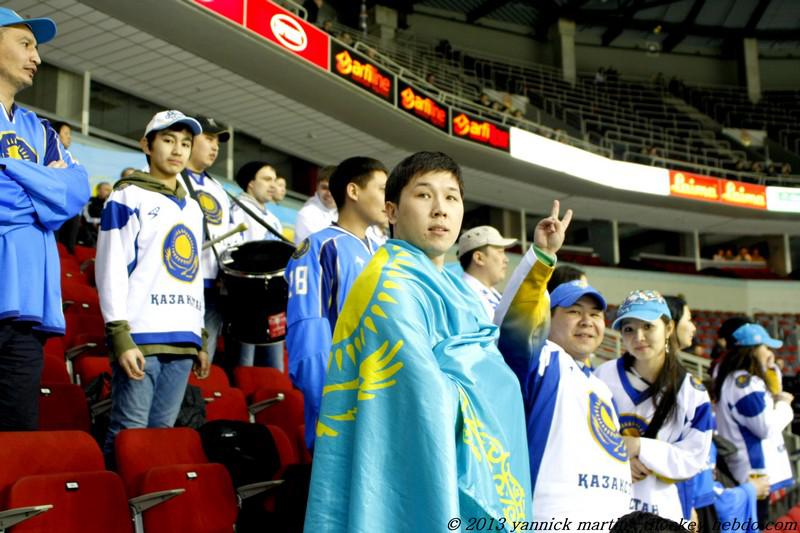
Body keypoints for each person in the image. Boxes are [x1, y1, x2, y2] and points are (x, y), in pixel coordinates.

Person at [304, 152, 532, 531]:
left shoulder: (456, 291)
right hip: (413, 483)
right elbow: (424, 400)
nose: (440, 209)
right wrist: (486, 381)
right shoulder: (391, 284)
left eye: (451, 197)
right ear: (391, 212)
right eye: (424, 195)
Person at [494, 206, 633, 525]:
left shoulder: (600, 386)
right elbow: (516, 327)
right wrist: (543, 255)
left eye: (595, 314)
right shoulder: (543, 360)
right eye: (573, 311)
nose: (587, 321)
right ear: (547, 318)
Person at [95, 110, 210, 459]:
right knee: (129, 433)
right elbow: (110, 266)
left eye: (185, 144)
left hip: (183, 337)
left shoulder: (193, 208)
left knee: (162, 438)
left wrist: (200, 336)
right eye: (168, 140)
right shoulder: (127, 195)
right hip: (141, 334)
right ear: (146, 145)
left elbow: (193, 273)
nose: (177, 150)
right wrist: (119, 333)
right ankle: (112, 493)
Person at [0, 8, 90, 431]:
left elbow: (75, 192)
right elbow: (55, 197)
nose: (37, 57)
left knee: (16, 436)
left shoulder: (40, 130)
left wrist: (10, 169)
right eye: (25, 44)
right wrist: (43, 190)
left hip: (27, 311)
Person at [286, 156, 388, 450]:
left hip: (379, 405)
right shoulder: (320, 247)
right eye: (382, 189)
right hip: (341, 414)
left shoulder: (381, 254)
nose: (389, 198)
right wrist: (331, 408)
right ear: (353, 191)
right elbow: (308, 336)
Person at [594, 290, 713, 522]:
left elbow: (694, 457)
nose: (638, 337)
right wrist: (619, 463)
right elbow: (584, 439)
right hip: (607, 505)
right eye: (629, 329)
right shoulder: (602, 376)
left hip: (664, 511)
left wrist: (639, 446)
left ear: (668, 329)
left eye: (648, 326)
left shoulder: (692, 392)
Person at [712, 323, 794, 524]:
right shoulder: (745, 384)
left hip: (750, 473)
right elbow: (765, 427)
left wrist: (770, 368)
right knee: (757, 523)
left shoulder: (737, 379)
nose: (770, 352)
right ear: (753, 350)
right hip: (754, 473)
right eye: (766, 347)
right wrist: (784, 405)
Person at [179, 116, 234, 363]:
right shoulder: (173, 178)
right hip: (181, 281)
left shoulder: (218, 189)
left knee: (204, 360)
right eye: (209, 139)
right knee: (180, 357)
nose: (215, 147)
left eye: (218, 143)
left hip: (213, 285)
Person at [231, 161, 284, 369]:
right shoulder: (238, 210)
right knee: (245, 364)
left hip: (273, 300)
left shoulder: (274, 219)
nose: (273, 185)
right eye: (267, 179)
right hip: (247, 300)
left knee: (275, 367)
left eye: (274, 180)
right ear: (251, 183)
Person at [456, 225, 516, 320]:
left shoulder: (491, 292)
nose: (506, 259)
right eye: (500, 252)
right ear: (479, 258)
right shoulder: (464, 294)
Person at [294, 166, 337, 244]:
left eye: (334, 188)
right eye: (324, 188)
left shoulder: (347, 213)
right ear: (317, 187)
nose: (329, 193)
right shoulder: (307, 214)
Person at [80, 181, 112, 246]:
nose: (103, 191)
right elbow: (86, 216)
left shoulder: (111, 203)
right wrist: (96, 221)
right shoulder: (90, 201)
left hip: (105, 229)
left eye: (106, 190)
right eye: (101, 189)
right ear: (97, 190)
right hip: (90, 228)